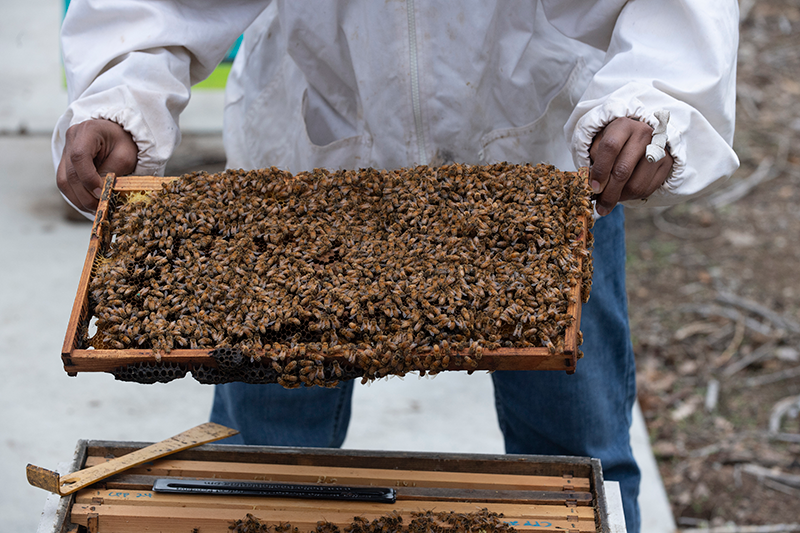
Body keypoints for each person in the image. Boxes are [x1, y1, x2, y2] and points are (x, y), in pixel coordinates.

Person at [52, 2, 740, 531]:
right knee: (258, 462)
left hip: (542, 164)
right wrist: (126, 81)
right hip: (309, 165)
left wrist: (658, 92)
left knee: (579, 456)